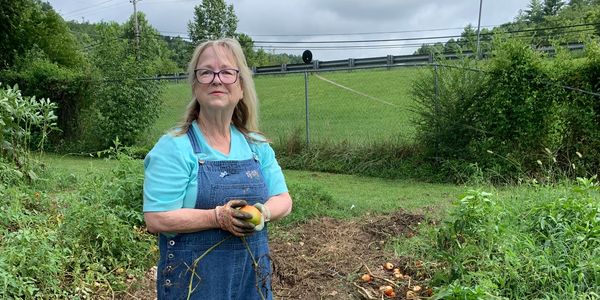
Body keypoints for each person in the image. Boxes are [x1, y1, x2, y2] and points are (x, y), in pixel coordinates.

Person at [143, 38, 293, 300]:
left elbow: (284, 200)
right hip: (194, 287)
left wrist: (263, 212)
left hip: (252, 284)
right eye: (206, 72)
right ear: (195, 85)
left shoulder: (256, 146)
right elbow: (157, 218)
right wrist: (216, 217)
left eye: (226, 71)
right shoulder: (175, 147)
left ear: (241, 86)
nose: (216, 79)